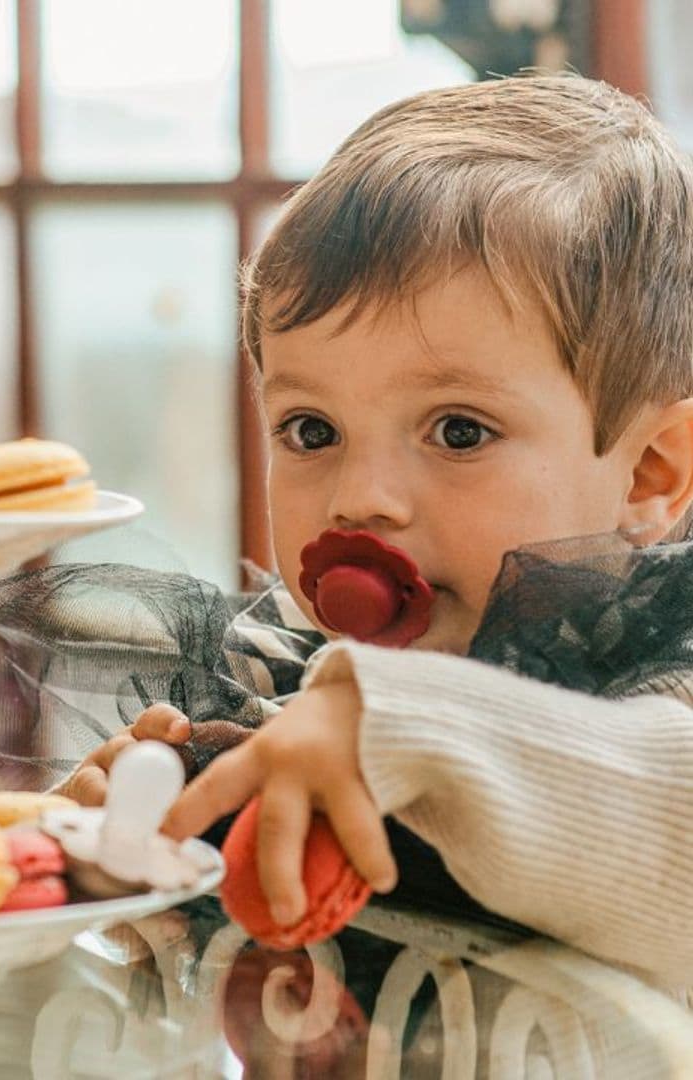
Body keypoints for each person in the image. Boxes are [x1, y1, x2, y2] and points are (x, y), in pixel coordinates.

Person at [51, 72, 693, 992]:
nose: (362, 498)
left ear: (648, 473)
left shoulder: (665, 674)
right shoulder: (265, 690)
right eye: (312, 431)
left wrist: (397, 728)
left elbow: (661, 821)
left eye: (460, 431)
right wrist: (118, 865)